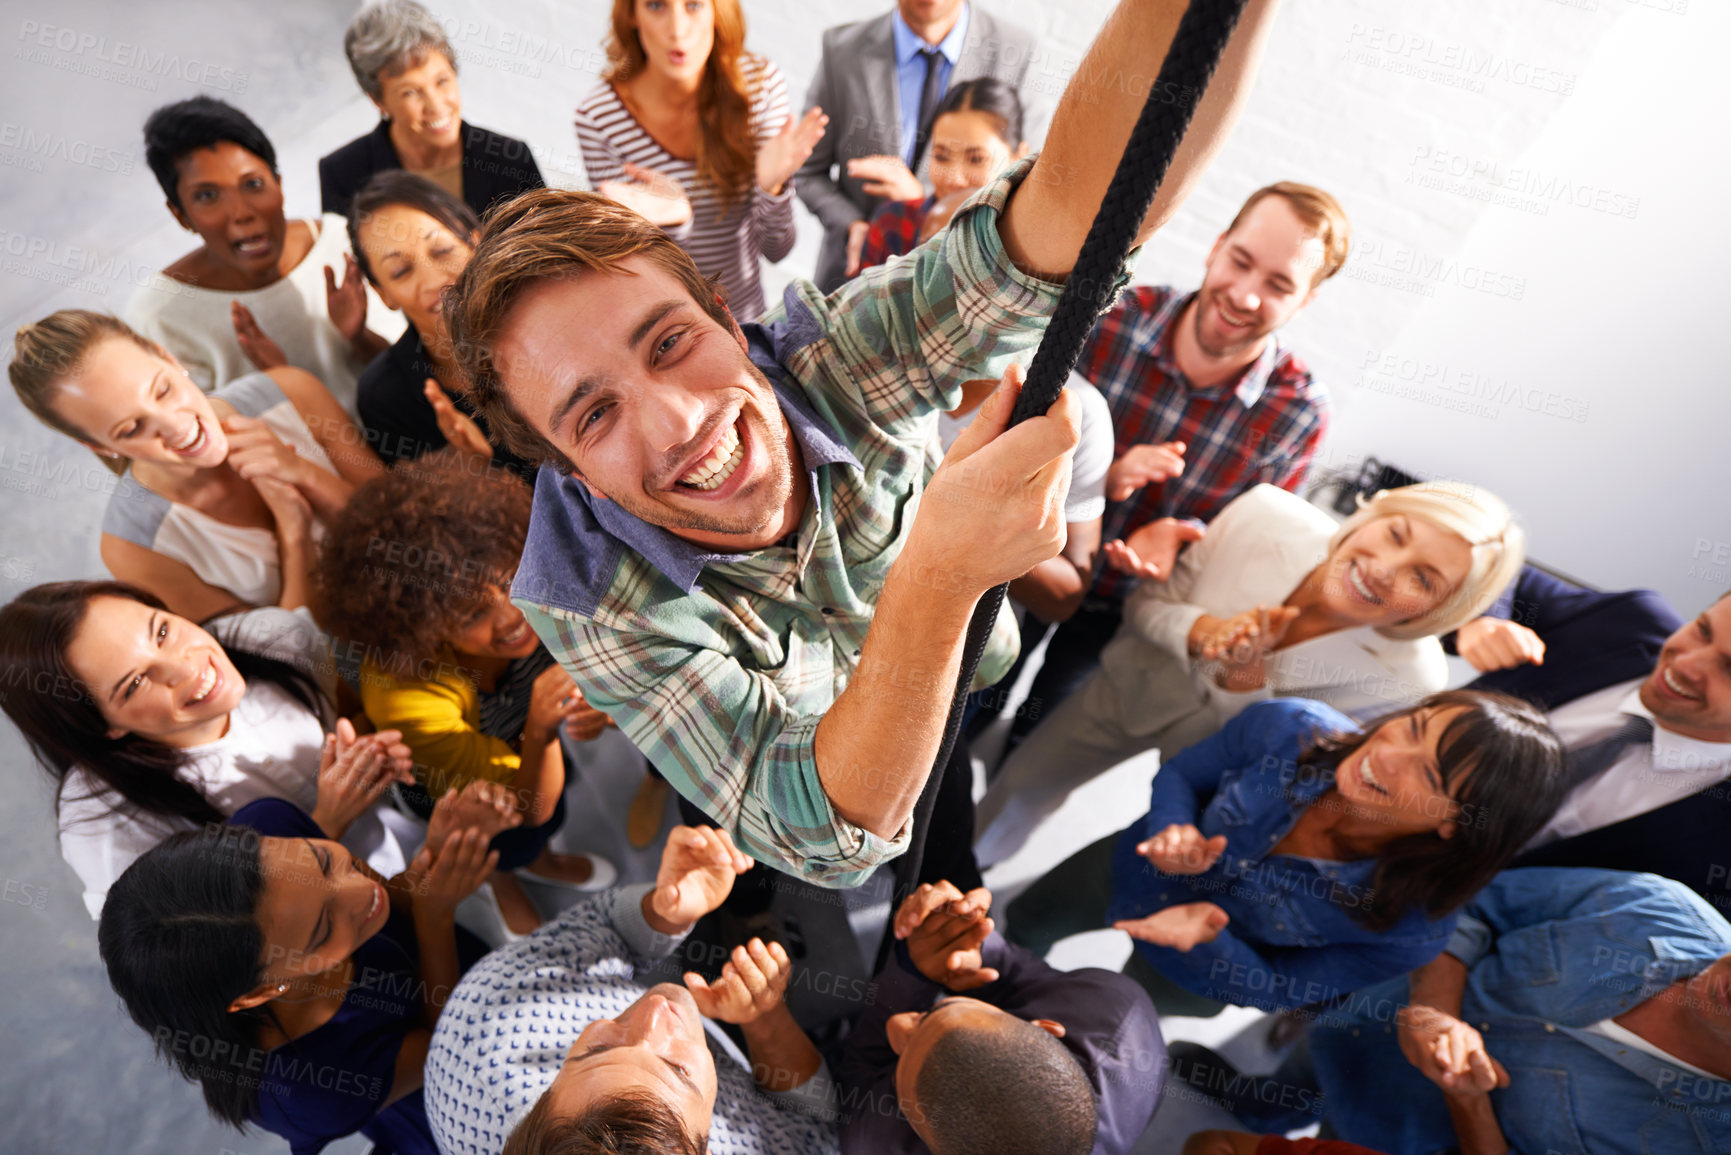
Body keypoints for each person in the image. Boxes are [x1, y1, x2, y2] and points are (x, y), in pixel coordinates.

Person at [441, 0, 1287, 887]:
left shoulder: (832, 357)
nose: (680, 422)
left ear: (730, 319)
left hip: (970, 666)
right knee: (745, 864)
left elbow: (1068, 223)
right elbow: (820, 833)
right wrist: (940, 573)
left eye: (670, 343)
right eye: (594, 416)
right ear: (574, 476)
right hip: (770, 750)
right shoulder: (587, 593)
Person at [976, 481, 1526, 866]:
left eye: (1424, 579)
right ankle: (968, 861)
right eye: (1396, 534)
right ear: (1372, 515)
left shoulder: (1412, 681)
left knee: (1139, 855)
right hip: (1129, 687)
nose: (1384, 569)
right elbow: (1147, 606)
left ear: (1440, 611)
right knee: (1026, 785)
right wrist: (1203, 634)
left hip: (1220, 766)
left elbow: (1298, 763)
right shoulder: (1264, 513)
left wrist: (1245, 685)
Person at [1011, 181, 1350, 752]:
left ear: (1306, 300)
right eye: (1240, 261)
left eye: (1278, 285)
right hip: (1031, 565)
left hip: (1130, 617)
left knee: (1038, 744)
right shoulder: (1110, 316)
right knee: (959, 712)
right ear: (1216, 246)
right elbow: (1017, 436)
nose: (1244, 295)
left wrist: (1186, 537)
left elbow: (1252, 543)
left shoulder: (1297, 413)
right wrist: (1105, 474)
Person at [1007, 694, 1565, 1017]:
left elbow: (1278, 989)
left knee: (1103, 1016)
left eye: (1427, 773)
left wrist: (1208, 942)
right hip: (1126, 867)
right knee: (1023, 928)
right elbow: (1182, 772)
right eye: (1412, 727)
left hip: (1190, 974)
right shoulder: (1290, 728)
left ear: (1455, 824)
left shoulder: (1411, 931)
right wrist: (1174, 827)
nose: (1388, 753)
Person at [98, 790, 510, 1154]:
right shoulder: (312, 1091)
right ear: (257, 994)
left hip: (460, 967)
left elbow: (390, 902)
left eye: (325, 860)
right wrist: (434, 918)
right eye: (325, 928)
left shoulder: (269, 824)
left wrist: (434, 857)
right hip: (455, 1080)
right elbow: (448, 1055)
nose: (362, 890)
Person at [313, 456, 620, 934]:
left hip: (523, 735)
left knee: (554, 800)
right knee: (512, 840)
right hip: (461, 790)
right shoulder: (406, 700)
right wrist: (541, 731)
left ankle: (534, 862)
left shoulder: (545, 585)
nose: (512, 615)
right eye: (471, 615)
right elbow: (527, 809)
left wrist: (595, 709)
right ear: (425, 631)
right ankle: (503, 876)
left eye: (507, 578)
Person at [0, 580, 416, 919]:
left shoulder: (273, 640)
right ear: (102, 729)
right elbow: (203, 949)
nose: (186, 667)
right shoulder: (104, 826)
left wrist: (367, 757)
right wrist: (325, 823)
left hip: (422, 863)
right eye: (135, 683)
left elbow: (350, 714)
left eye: (162, 631)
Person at [422, 824, 839, 1155]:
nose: (656, 1009)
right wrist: (765, 1020)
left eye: (597, 1050)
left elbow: (599, 926)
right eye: (678, 1071)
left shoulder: (486, 1022)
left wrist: (664, 913)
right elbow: (813, 1129)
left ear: (545, 1097)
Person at [1310, 868, 1731, 1154]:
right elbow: (1468, 901)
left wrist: (1467, 1102)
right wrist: (1432, 1007)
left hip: (1365, 1137)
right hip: (1353, 1004)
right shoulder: (1658, 904)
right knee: (1256, 1089)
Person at [10, 311, 385, 622]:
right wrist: (295, 536)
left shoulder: (291, 392)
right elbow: (281, 667)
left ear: (169, 359)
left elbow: (409, 529)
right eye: (131, 428)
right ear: (99, 446)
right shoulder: (133, 546)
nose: (175, 425)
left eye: (162, 390)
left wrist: (303, 473)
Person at [1457, 574, 1731, 911]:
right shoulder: (1626, 622)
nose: (1687, 664)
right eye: (1702, 630)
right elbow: (1492, 567)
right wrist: (1478, 619)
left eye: (1729, 670)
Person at [836, 879, 1164, 1154]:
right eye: (934, 1012)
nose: (897, 1024)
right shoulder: (1116, 1006)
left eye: (901, 1089)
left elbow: (857, 1077)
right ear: (1045, 1028)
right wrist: (963, 941)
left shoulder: (876, 1140)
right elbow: (1022, 975)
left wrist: (910, 972)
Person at [126, 96, 405, 414]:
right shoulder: (159, 315)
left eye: (253, 184)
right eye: (207, 196)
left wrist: (358, 337)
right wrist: (278, 383)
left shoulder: (337, 240)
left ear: (280, 185)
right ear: (181, 215)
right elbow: (203, 441)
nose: (242, 212)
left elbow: (409, 372)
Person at [574, 0, 827, 323]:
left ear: (717, 13)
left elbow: (777, 250)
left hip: (750, 321)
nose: (677, 30)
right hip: (670, 328)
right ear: (632, 15)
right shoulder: (599, 118)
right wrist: (676, 224)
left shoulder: (758, 86)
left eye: (693, 5)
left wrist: (771, 185)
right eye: (655, 6)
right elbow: (633, 276)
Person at [795, 0, 1045, 291]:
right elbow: (807, 171)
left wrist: (923, 206)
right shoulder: (842, 50)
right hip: (852, 278)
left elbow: (1028, 184)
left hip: (968, 288)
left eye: (975, 158)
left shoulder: (1018, 51)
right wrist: (852, 224)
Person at [348, 171, 529, 473]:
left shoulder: (548, 320)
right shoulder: (387, 398)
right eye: (401, 271)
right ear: (382, 294)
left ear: (476, 241)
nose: (434, 281)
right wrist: (482, 474)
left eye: (442, 250)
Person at [320, 0, 545, 221]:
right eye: (410, 92)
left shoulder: (512, 160)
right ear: (378, 100)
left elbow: (554, 252)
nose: (436, 105)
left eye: (442, 81)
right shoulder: (342, 176)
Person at [855, 78, 1030, 274]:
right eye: (941, 156)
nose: (953, 178)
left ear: (1019, 159)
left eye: (976, 159)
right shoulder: (892, 223)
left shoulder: (1031, 247)